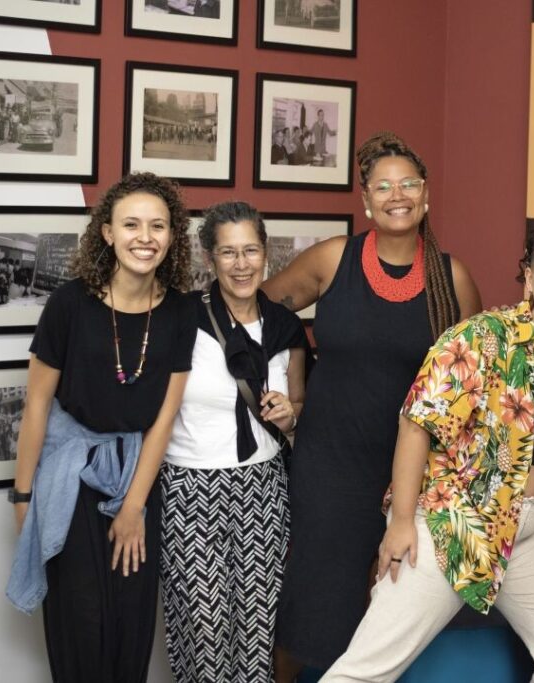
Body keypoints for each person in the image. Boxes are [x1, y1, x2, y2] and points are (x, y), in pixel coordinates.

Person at [322, 216, 534, 682]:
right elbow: (415, 422)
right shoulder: (481, 337)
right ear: (530, 276)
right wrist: (400, 523)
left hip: (528, 529)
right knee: (368, 668)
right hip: (455, 522)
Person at [262, 131, 482, 680]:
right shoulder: (334, 259)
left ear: (426, 194)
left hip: (413, 478)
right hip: (329, 467)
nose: (396, 195)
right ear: (365, 201)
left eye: (408, 183)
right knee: (313, 605)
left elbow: (472, 387)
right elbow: (259, 315)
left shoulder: (451, 279)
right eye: (382, 186)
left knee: (389, 612)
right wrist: (297, 387)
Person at [7, 172, 196, 681]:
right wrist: (23, 498)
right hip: (70, 485)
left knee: (130, 633)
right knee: (81, 630)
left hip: (139, 481)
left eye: (158, 226)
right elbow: (38, 407)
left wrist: (134, 507)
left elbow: (164, 419)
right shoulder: (69, 303)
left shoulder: (180, 311)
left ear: (172, 236)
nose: (145, 237)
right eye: (131, 224)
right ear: (107, 232)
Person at [159, 201, 309, 681]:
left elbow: (301, 410)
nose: (241, 264)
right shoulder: (182, 318)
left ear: (266, 255)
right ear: (210, 260)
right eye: (228, 253)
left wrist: (289, 417)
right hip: (190, 487)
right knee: (202, 628)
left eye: (250, 251)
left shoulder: (286, 327)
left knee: (259, 631)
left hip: (263, 490)